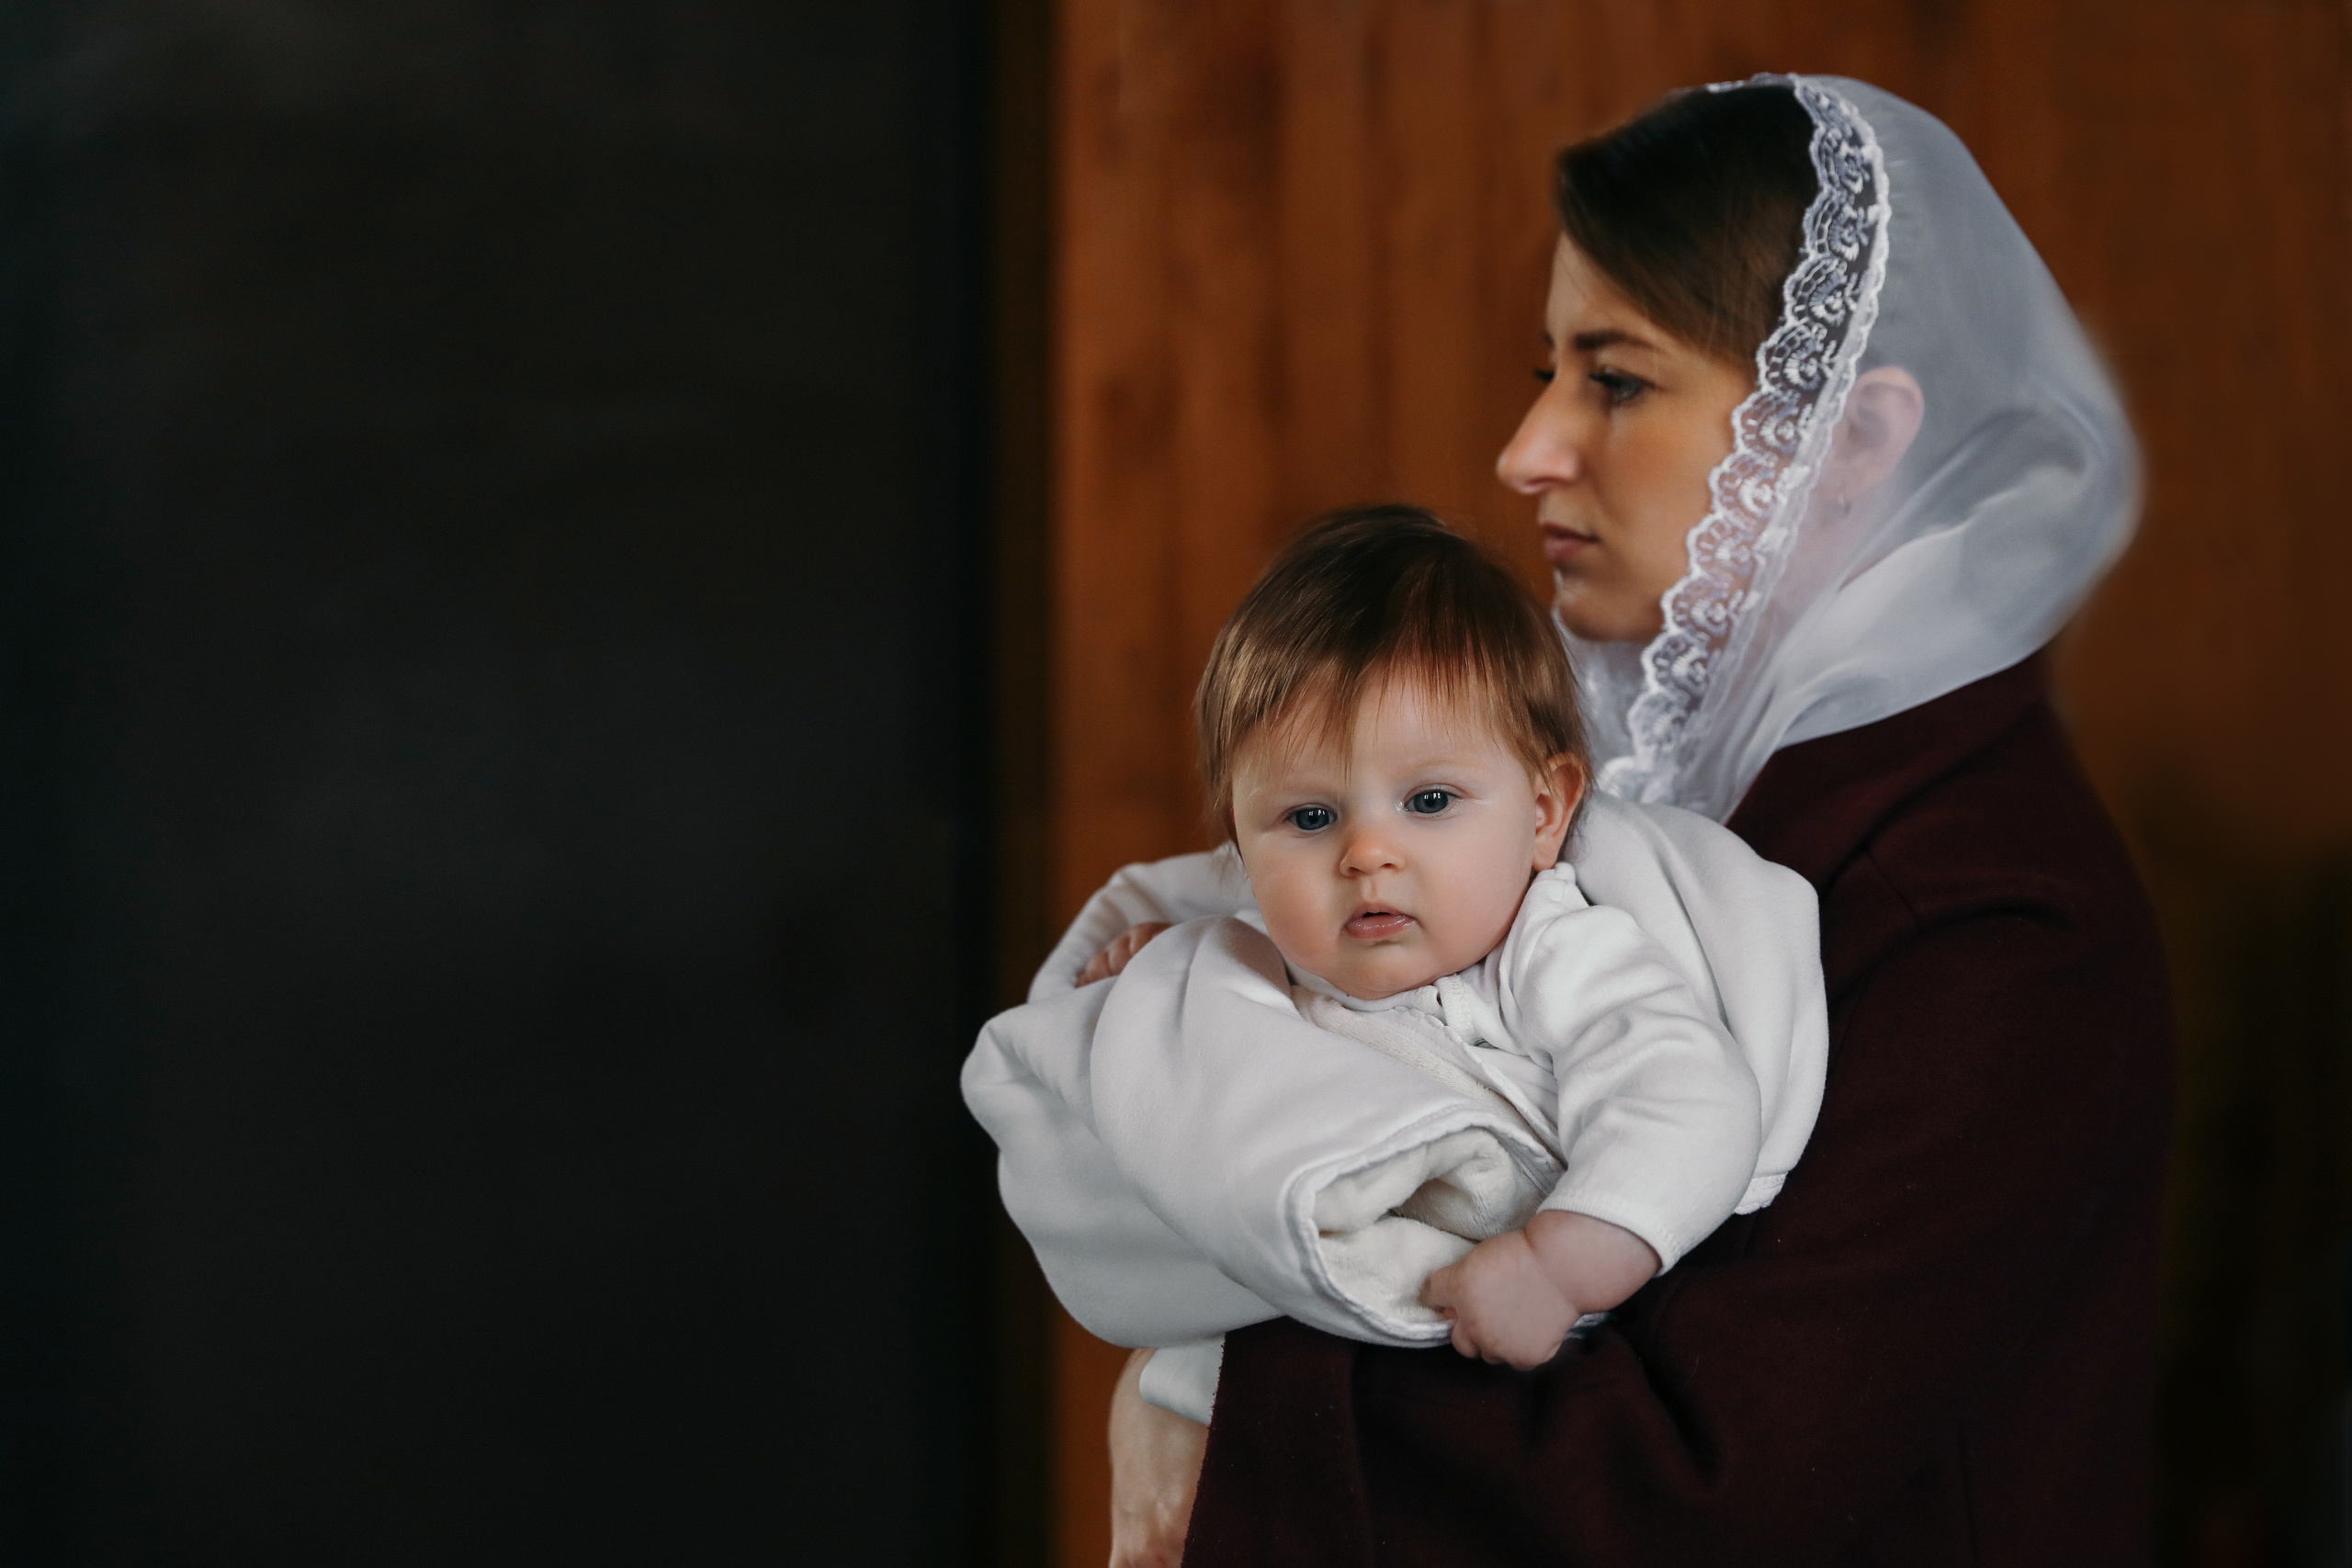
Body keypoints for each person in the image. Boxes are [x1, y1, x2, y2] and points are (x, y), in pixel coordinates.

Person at [1090, 75, 2170, 1565]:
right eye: (1549, 370)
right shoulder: (1658, 777)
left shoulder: (1986, 911)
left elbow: (1697, 1480)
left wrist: (1222, 1414)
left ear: (1849, 438)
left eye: (1614, 378)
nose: (1528, 450)